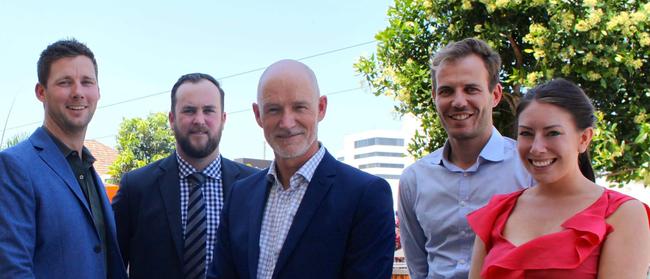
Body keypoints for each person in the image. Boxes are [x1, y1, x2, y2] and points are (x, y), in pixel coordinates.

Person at [208, 59, 395, 279]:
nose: (287, 123)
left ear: (321, 108)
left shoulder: (365, 196)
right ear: (258, 115)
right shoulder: (240, 195)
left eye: (299, 107)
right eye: (274, 109)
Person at [468, 78, 650, 278]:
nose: (537, 148)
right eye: (526, 133)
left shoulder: (623, 214)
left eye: (553, 133)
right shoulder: (496, 213)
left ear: (584, 139)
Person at [398, 37, 534, 278]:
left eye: (471, 89)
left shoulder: (528, 168)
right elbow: (419, 268)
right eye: (447, 91)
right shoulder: (415, 179)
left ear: (495, 95)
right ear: (435, 97)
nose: (459, 102)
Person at [0, 39, 128, 278]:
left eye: (87, 82)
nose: (78, 92)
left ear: (98, 92)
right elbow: (12, 270)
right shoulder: (14, 166)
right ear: (41, 92)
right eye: (64, 82)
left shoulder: (92, 174)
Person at [112, 73, 257, 279]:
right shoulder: (136, 187)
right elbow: (112, 265)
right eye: (189, 111)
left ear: (223, 119)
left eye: (209, 110)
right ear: (172, 119)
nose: (199, 120)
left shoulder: (254, 186)